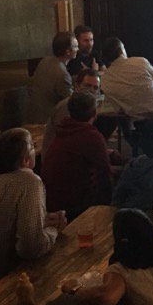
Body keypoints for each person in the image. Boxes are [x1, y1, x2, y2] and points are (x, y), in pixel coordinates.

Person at [0, 129, 67, 294]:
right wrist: (54, 230)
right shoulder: (29, 181)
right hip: (0, 283)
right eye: (33, 146)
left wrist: (43, 221)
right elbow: (31, 248)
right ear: (26, 159)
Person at [41, 92, 113, 220]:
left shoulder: (64, 128)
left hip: (51, 201)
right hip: (73, 207)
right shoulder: (91, 136)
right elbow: (105, 177)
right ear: (95, 113)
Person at [100, 37, 153, 118]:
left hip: (137, 124)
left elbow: (118, 109)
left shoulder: (105, 79)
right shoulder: (140, 62)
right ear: (121, 50)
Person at [42, 68, 102, 154]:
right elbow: (65, 141)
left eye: (95, 88)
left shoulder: (86, 106)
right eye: (87, 86)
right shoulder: (67, 106)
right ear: (77, 86)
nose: (91, 90)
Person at [27, 31, 78, 123]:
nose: (78, 49)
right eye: (75, 46)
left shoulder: (45, 61)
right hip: (50, 122)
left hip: (33, 117)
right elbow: (72, 103)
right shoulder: (63, 74)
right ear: (67, 51)